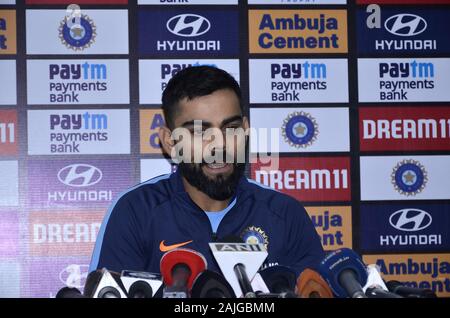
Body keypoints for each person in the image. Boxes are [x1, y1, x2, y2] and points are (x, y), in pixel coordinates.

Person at [89, 66, 324, 279]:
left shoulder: (284, 214)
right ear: (170, 142)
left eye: (231, 129)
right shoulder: (136, 211)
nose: (219, 146)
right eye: (200, 132)